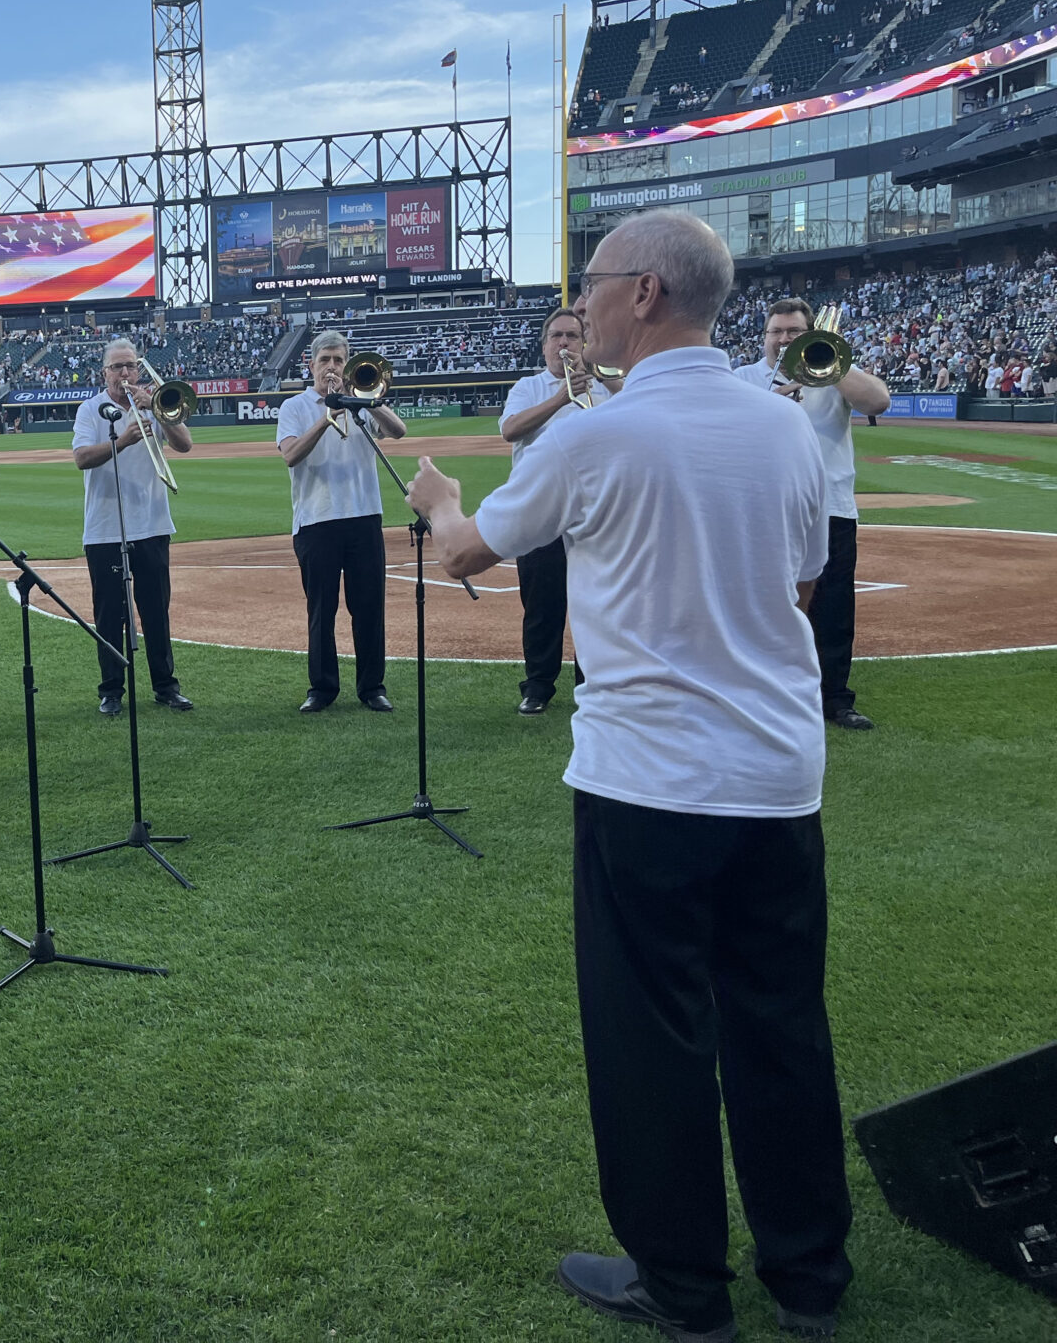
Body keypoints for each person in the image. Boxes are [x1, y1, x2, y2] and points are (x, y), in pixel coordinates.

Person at [405, 211, 852, 1343]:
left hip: (649, 778)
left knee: (650, 1034)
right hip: (775, 777)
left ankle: (683, 1286)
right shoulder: (784, 431)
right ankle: (808, 1275)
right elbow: (799, 586)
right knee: (780, 1025)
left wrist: (435, 502)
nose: (583, 305)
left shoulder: (593, 434)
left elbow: (466, 556)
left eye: (593, 283)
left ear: (643, 293)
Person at [737, 299, 893, 731]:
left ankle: (835, 699)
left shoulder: (834, 376)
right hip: (762, 511)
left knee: (833, 608)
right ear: (764, 336)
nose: (784, 339)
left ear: (809, 335)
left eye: (793, 332)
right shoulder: (742, 379)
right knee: (761, 607)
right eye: (777, 332)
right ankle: (763, 694)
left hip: (830, 509)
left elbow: (878, 402)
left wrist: (831, 362)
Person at [274, 329, 404, 713]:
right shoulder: (294, 407)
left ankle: (371, 687)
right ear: (310, 365)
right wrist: (326, 416)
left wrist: (362, 399)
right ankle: (322, 688)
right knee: (321, 609)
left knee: (368, 608)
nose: (332, 367)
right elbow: (291, 455)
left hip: (364, 517)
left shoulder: (362, 401)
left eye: (339, 360)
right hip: (316, 521)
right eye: (325, 360)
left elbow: (398, 430)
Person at [497, 307, 613, 716]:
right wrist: (562, 396)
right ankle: (538, 685)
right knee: (541, 606)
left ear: (585, 344)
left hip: (594, 515)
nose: (564, 344)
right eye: (556, 337)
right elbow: (511, 429)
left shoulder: (604, 388)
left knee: (594, 605)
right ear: (544, 345)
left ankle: (592, 683)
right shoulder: (529, 386)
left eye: (572, 336)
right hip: (542, 513)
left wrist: (604, 385)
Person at [71, 337, 193, 715]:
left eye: (130, 366)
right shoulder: (91, 410)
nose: (125, 373)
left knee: (156, 610)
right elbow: (81, 458)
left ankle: (165, 686)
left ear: (138, 370)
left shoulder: (154, 404)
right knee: (110, 614)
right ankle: (111, 690)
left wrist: (157, 412)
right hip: (106, 528)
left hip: (153, 525)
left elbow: (184, 444)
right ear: (104, 372)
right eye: (117, 367)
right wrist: (122, 441)